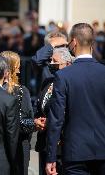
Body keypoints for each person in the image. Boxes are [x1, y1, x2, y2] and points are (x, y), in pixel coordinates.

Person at [46, 23, 105, 175]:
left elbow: (56, 118)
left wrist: (51, 156)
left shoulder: (64, 75)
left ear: (73, 42)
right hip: (104, 148)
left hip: (75, 151)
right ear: (92, 43)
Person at [1, 51, 45, 175]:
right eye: (18, 64)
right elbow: (25, 119)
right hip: (18, 146)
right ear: (14, 67)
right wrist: (35, 122)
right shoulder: (20, 91)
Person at [35, 47, 74, 175]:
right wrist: (38, 120)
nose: (51, 64)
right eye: (50, 60)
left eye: (55, 61)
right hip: (45, 143)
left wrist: (51, 122)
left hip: (62, 145)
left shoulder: (71, 84)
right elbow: (40, 106)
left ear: (68, 64)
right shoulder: (48, 81)